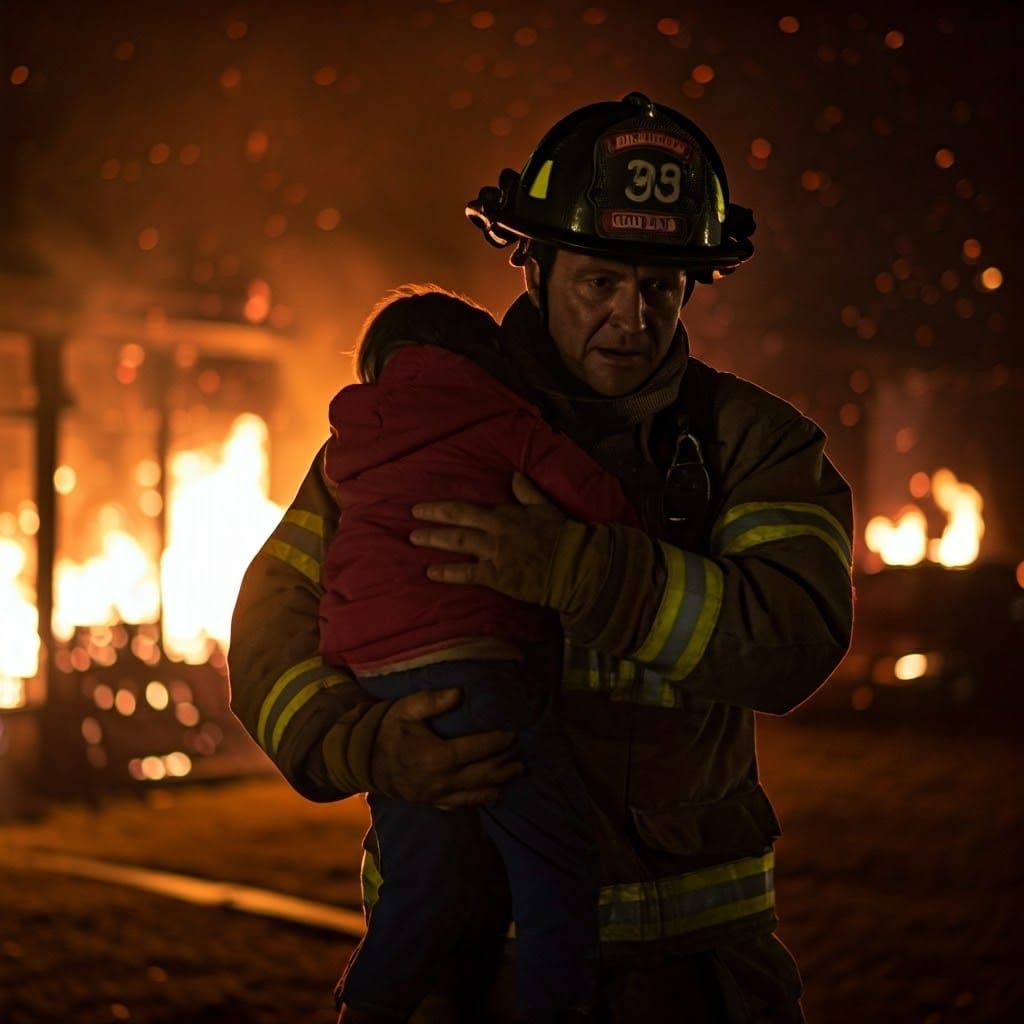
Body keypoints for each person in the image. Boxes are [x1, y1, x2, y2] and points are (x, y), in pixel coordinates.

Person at [228, 92, 854, 1023]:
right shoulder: (422, 427)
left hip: (688, 984)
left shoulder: (751, 443)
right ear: (535, 267)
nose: (631, 318)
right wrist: (363, 744)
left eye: (659, 288)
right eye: (599, 281)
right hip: (468, 976)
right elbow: (267, 630)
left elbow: (797, 633)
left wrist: (584, 575)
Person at [322, 287, 641, 1022]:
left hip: (375, 675)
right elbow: (600, 504)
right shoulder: (501, 417)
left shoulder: (353, 438)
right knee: (554, 858)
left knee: (420, 875)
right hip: (470, 660)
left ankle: (367, 1008)